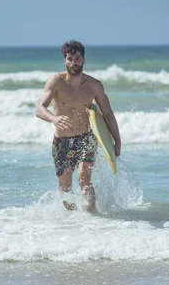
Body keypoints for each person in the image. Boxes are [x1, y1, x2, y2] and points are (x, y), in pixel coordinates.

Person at [36, 40, 121, 212]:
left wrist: (117, 140)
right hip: (62, 141)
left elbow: (108, 114)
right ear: (64, 60)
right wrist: (53, 118)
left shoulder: (93, 85)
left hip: (85, 137)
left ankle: (91, 218)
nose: (74, 63)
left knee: (84, 178)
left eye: (77, 58)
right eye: (70, 59)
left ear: (83, 60)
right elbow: (39, 108)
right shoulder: (56, 82)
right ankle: (73, 223)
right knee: (65, 187)